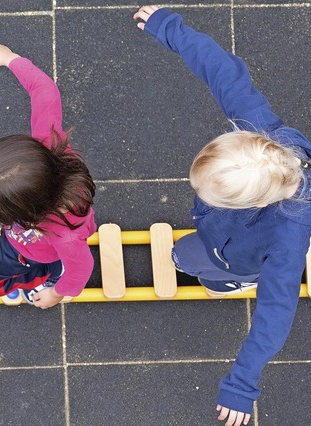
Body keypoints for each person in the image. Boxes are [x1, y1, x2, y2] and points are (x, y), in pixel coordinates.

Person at [135, 5, 311, 426]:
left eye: (211, 195)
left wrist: (240, 385)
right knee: (183, 255)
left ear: (253, 204)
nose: (199, 194)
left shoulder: (289, 237)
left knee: (210, 271)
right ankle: (215, 264)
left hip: (239, 255)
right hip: (221, 233)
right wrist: (168, 29)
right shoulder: (260, 135)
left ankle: (233, 281)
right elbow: (224, 72)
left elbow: (275, 312)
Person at [0, 41, 97, 309]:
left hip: (32, 253)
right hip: (29, 239)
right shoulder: (49, 143)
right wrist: (12, 58)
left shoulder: (63, 235)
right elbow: (44, 90)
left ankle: (42, 276)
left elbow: (81, 269)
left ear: (22, 212)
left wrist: (56, 293)